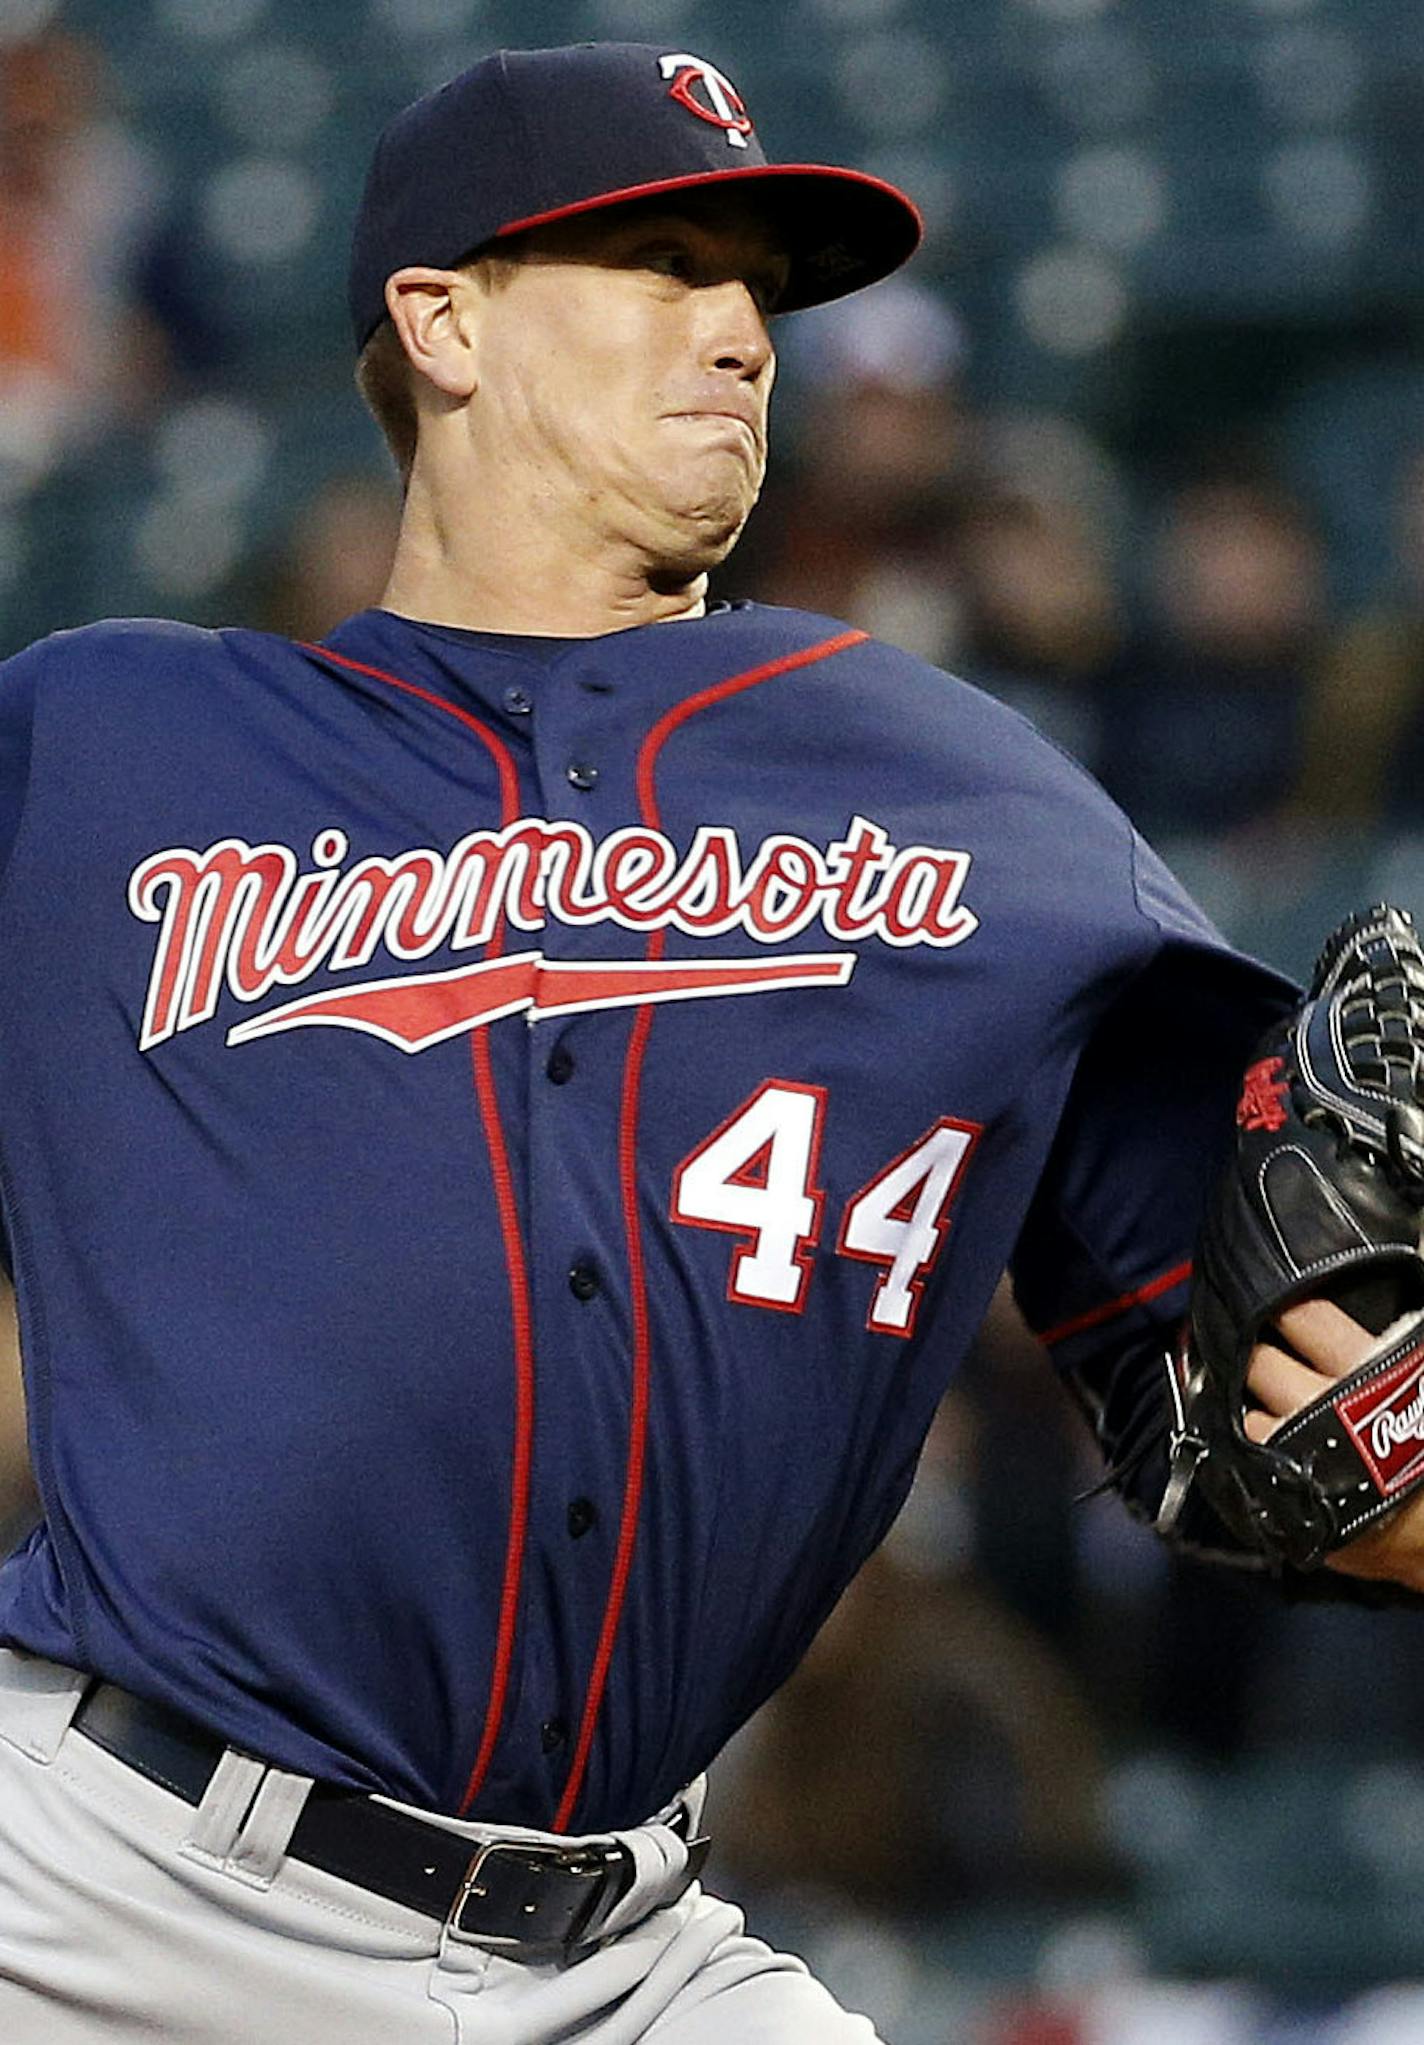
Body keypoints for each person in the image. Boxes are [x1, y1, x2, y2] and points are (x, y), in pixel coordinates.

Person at [0, 41, 1419, 2045]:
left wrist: (1383, 1431)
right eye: (662, 262)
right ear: (442, 318)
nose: (739, 333)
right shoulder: (100, 750)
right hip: (100, 1894)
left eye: (756, 288)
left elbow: (1265, 1367)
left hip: (619, 1953)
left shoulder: (966, 802)